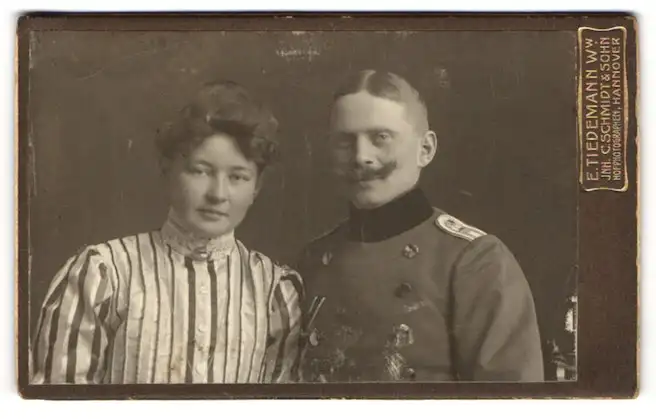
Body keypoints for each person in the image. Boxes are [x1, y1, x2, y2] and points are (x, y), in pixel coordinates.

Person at [31, 81, 303, 384]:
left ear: (257, 188)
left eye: (238, 177)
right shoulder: (103, 274)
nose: (218, 193)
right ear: (168, 168)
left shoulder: (274, 291)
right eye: (201, 170)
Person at [296, 70, 544, 382]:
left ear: (425, 149)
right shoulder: (314, 259)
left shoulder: (475, 261)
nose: (361, 157)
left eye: (380, 138)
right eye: (345, 141)